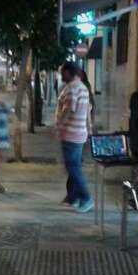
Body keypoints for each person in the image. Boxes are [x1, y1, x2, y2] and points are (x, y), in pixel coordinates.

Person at [56, 62, 93, 213]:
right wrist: (89, 129)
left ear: (69, 73)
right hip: (78, 133)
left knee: (73, 168)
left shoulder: (72, 88)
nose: (61, 75)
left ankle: (86, 198)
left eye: (63, 73)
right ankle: (72, 197)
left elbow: (69, 110)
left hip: (71, 133)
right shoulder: (82, 87)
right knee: (73, 166)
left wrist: (59, 126)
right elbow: (87, 111)